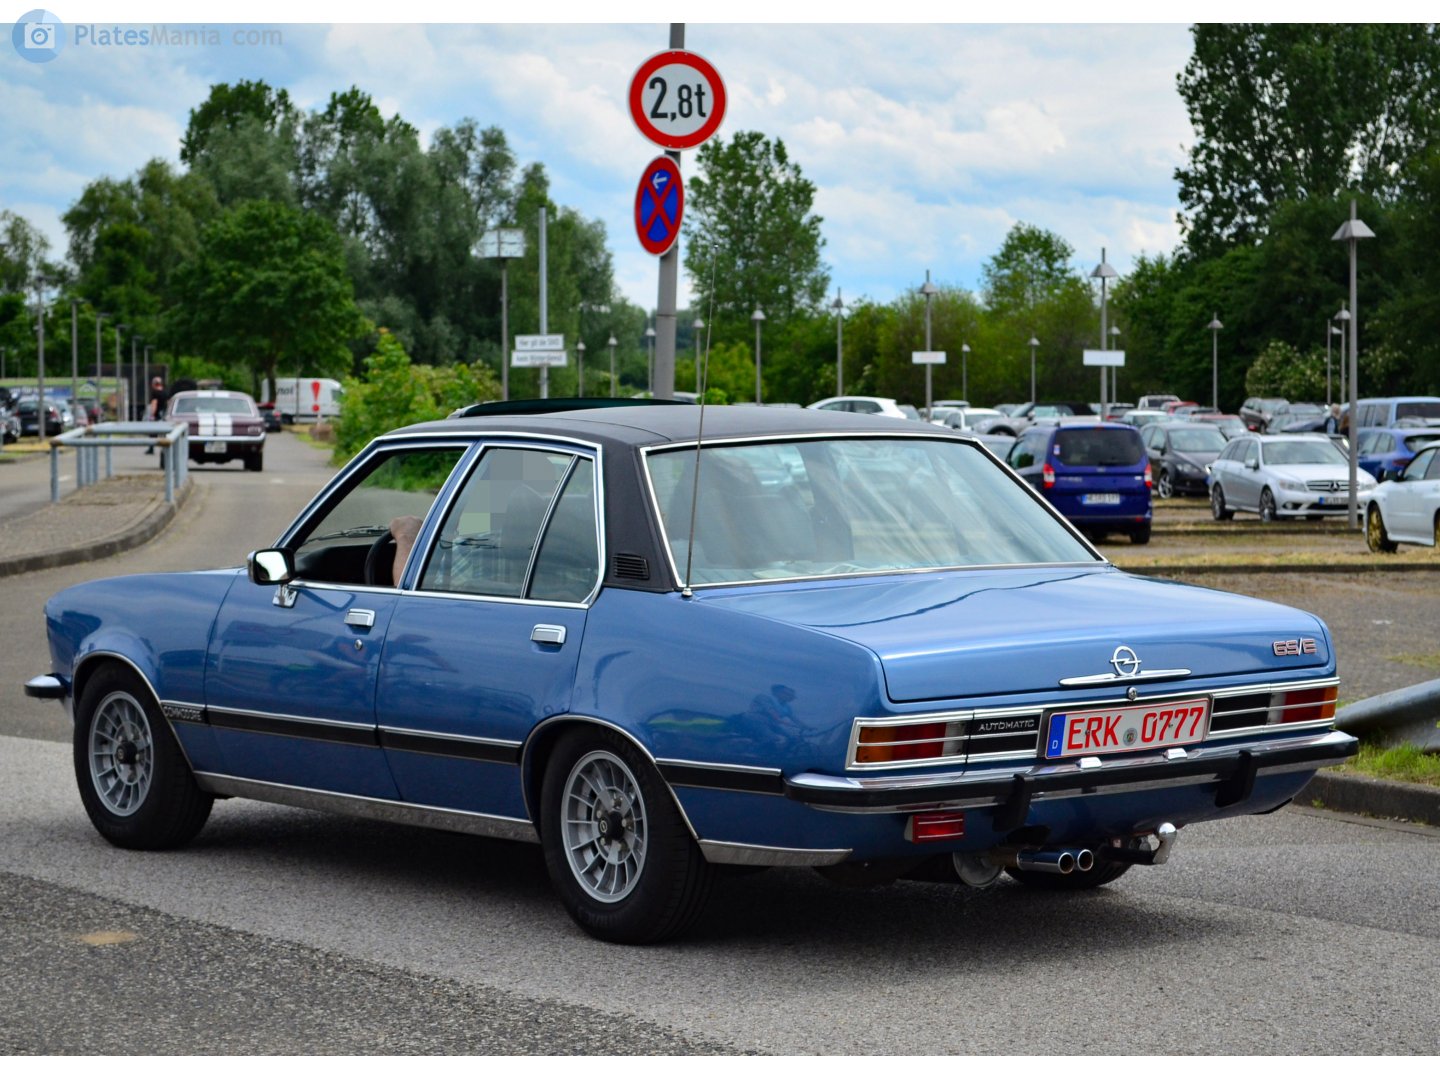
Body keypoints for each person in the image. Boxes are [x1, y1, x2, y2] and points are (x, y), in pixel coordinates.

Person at [144, 377, 167, 455]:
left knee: (153, 433)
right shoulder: (165, 392)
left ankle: (151, 448)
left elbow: (154, 404)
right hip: (164, 415)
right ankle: (165, 448)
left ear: (154, 384)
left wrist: (152, 415)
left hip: (157, 415)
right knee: (164, 433)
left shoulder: (155, 393)